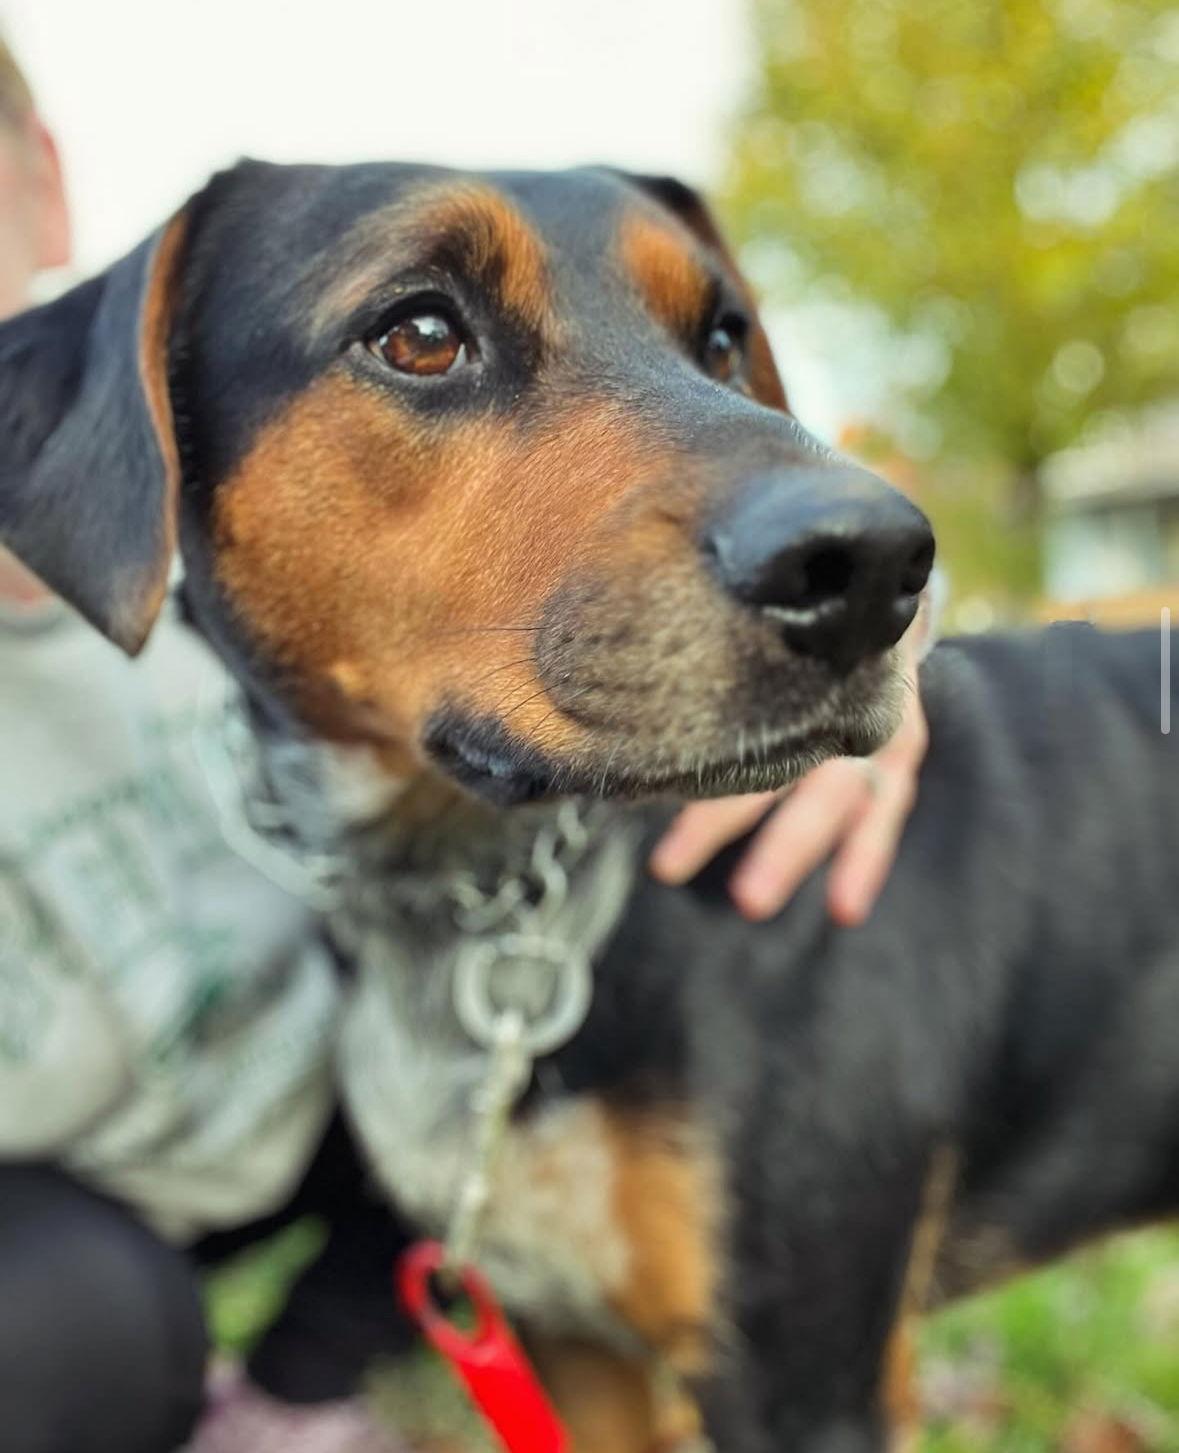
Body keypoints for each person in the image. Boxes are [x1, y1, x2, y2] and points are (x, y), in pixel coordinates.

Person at [0, 36, 930, 1453]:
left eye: (713, 342)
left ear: (42, 182)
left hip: (350, 1128)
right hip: (77, 1215)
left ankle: (301, 1387)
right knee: (73, 1327)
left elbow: (769, 488)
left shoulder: (197, 590)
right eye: (422, 339)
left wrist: (872, 655)